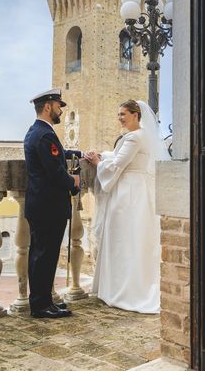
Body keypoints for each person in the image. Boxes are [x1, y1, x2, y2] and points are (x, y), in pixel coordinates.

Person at [85, 99, 168, 313]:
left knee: (124, 239)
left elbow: (119, 163)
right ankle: (129, 287)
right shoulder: (142, 136)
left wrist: (97, 163)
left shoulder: (133, 137)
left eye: (123, 114)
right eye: (119, 114)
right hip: (140, 190)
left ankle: (126, 291)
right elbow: (123, 157)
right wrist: (104, 156)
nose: (120, 118)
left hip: (128, 194)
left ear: (135, 114)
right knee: (136, 239)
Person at [24, 88, 81, 319]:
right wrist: (74, 182)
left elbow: (58, 155)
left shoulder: (36, 131)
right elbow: (55, 173)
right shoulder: (46, 135)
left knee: (40, 256)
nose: (60, 110)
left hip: (40, 205)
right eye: (58, 105)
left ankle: (43, 302)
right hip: (48, 207)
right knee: (44, 257)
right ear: (48, 107)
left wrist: (80, 153)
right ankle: (40, 306)